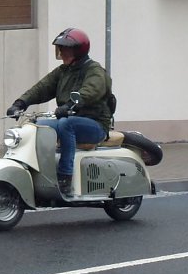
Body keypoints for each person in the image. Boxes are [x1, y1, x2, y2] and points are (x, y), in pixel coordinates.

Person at [6, 27, 112, 196]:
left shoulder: (94, 71)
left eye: (66, 49)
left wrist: (70, 105)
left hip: (95, 124)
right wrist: (20, 103)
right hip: (70, 119)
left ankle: (65, 178)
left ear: (78, 51)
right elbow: (42, 87)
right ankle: (35, 170)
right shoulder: (63, 71)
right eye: (60, 48)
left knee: (65, 124)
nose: (61, 52)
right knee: (35, 126)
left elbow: (91, 90)